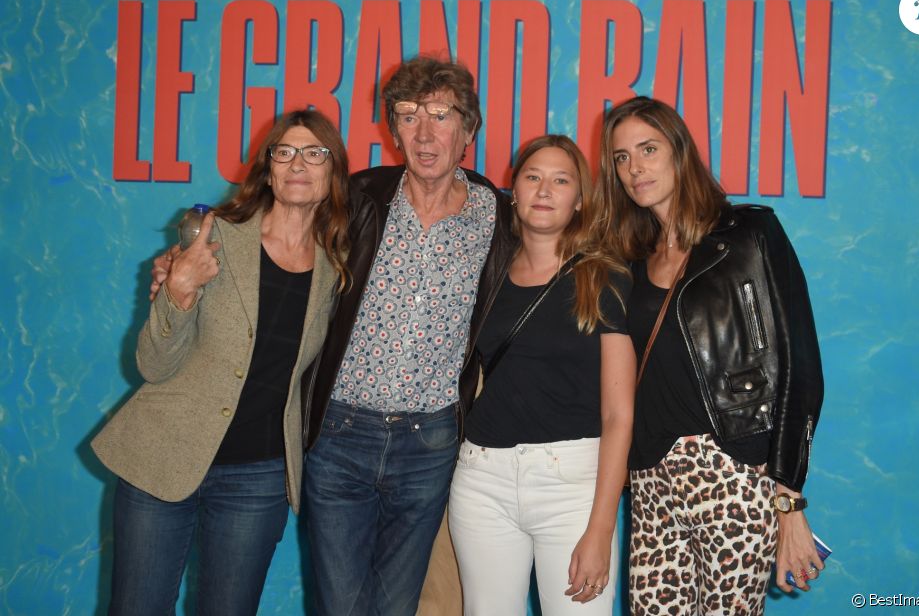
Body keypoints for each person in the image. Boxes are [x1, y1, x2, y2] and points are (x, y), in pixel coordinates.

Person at [93, 109, 349, 616]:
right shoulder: (212, 237)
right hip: (163, 455)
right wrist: (180, 290)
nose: (298, 164)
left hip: (258, 477)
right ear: (268, 168)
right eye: (285, 152)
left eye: (314, 153)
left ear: (332, 171)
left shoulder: (338, 263)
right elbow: (152, 364)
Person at [300, 56, 517, 616]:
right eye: (408, 115)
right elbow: (280, 232)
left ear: (468, 130)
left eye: (440, 115)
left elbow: (566, 259)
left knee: (399, 608)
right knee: (340, 606)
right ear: (392, 129)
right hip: (341, 435)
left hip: (430, 442)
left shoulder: (498, 216)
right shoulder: (358, 197)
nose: (424, 133)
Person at [598, 95, 825, 615]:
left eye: (648, 149)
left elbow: (801, 368)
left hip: (733, 472)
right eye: (621, 157)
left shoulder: (749, 234)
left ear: (679, 152)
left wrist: (788, 500)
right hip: (652, 479)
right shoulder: (630, 260)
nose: (635, 168)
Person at [447, 135, 635, 615]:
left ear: (578, 201)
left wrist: (601, 528)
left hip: (572, 486)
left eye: (560, 180)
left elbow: (618, 415)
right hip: (482, 480)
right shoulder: (487, 271)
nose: (544, 190)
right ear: (515, 191)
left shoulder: (603, 277)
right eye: (533, 177)